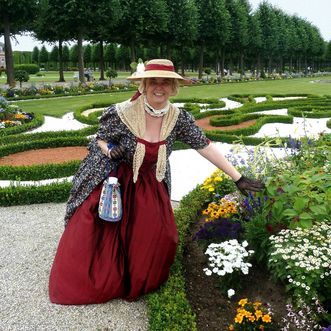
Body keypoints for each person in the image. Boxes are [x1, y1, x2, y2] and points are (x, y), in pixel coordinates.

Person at [49, 59, 263, 305]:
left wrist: (238, 177)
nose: (159, 87)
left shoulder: (177, 118)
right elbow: (100, 139)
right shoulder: (122, 113)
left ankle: (139, 278)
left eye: (165, 82)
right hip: (119, 181)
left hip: (151, 182)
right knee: (103, 235)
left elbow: (204, 145)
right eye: (153, 81)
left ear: (173, 87)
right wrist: (109, 149)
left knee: (163, 236)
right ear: (143, 84)